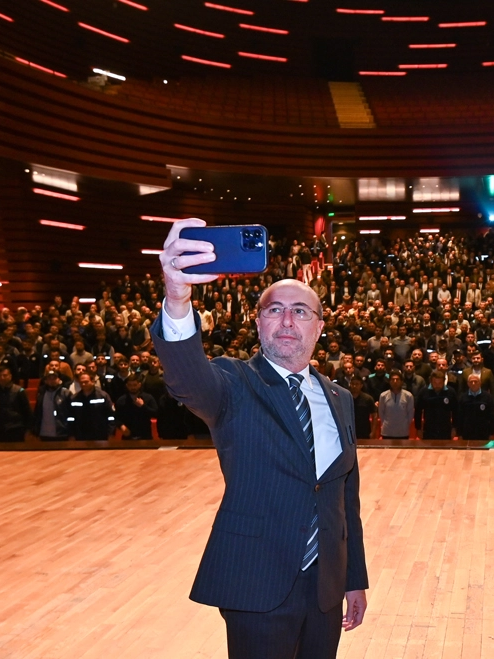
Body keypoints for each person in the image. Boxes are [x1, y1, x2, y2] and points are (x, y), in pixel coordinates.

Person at [151, 219, 368, 659]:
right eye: (274, 310)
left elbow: (346, 499)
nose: (287, 320)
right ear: (258, 322)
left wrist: (353, 579)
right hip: (257, 585)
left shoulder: (340, 398)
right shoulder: (233, 382)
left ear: (319, 328)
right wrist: (177, 298)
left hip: (325, 589)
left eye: (300, 311)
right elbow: (187, 379)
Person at [0, 366, 32, 442]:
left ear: (10, 376)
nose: (2, 378)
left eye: (5, 375)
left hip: (16, 429)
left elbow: (27, 412)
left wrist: (28, 430)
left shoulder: (19, 391)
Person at [67, 373, 115, 441]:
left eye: (86, 382)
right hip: (80, 436)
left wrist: (111, 433)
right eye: (81, 382)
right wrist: (71, 434)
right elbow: (70, 418)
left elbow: (111, 416)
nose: (83, 384)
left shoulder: (103, 396)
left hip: (100, 435)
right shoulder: (74, 398)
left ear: (92, 382)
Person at [32, 367, 71, 441]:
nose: (52, 381)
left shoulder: (66, 393)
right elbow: (37, 412)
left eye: (54, 378)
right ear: (46, 381)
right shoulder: (41, 393)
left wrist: (70, 430)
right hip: (44, 433)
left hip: (61, 433)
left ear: (59, 380)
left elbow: (71, 413)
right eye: (49, 378)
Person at [115, 373, 158, 439]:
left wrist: (143, 406)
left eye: (135, 385)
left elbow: (156, 414)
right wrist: (121, 426)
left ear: (139, 385)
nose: (132, 388)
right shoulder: (121, 400)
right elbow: (116, 417)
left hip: (145, 436)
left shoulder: (148, 398)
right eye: (130, 385)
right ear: (127, 386)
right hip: (128, 437)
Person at [415, 371, 456, 439]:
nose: (437, 385)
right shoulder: (424, 392)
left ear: (444, 381)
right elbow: (418, 411)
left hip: (446, 430)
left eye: (440, 383)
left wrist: (454, 428)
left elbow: (456, 411)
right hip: (428, 430)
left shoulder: (450, 392)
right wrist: (418, 428)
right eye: (435, 383)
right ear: (431, 381)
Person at [456, 373, 494, 440]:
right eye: (471, 382)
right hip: (467, 433)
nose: (473, 383)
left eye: (475, 381)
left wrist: (492, 433)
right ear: (468, 384)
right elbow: (459, 417)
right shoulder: (462, 398)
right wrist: (459, 434)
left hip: (484, 433)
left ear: (480, 383)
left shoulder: (488, 397)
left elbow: (492, 417)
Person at [378, 370, 415, 439]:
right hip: (387, 431)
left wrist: (405, 425)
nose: (395, 382)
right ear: (389, 381)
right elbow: (381, 413)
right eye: (392, 380)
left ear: (401, 382)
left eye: (397, 380)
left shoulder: (408, 396)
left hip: (403, 432)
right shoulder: (383, 396)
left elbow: (410, 414)